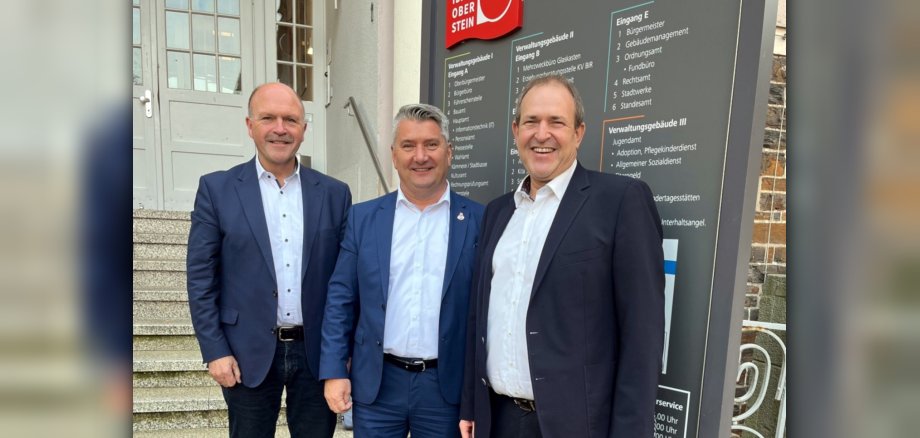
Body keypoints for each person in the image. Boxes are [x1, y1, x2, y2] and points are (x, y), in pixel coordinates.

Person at [459, 75, 665, 438]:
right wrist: (472, 404)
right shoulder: (497, 212)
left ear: (579, 132)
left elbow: (642, 335)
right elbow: (480, 317)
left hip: (577, 425)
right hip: (498, 419)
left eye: (556, 122)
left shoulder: (619, 201)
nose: (542, 134)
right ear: (515, 130)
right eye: (531, 122)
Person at [187, 82, 352, 438]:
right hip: (245, 352)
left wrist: (343, 352)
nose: (280, 128)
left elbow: (345, 281)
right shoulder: (217, 190)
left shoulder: (335, 194)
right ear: (250, 125)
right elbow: (201, 279)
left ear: (304, 130)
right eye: (268, 118)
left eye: (291, 119)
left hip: (316, 355)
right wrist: (215, 350)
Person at [320, 103, 484, 438]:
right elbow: (341, 299)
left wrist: (479, 396)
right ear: (394, 156)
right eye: (408, 146)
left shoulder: (480, 221)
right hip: (378, 385)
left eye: (431, 145)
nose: (420, 156)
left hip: (446, 389)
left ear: (449, 152)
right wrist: (335, 371)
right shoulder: (363, 219)